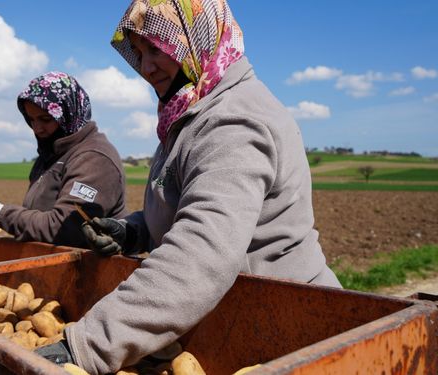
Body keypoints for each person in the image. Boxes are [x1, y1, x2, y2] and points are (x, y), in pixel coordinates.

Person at [35, 1, 342, 374]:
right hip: (235, 318)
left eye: (157, 48)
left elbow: (202, 253)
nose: (146, 67)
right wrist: (134, 231)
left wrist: (84, 348)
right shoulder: (190, 113)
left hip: (287, 325)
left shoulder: (232, 121)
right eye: (139, 50)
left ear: (196, 36)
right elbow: (187, 207)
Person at [0, 71, 128, 248]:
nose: (37, 128)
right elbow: (39, 214)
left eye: (45, 119)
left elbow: (64, 229)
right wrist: (4, 222)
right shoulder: (51, 154)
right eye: (31, 119)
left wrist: (1, 215)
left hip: (90, 270)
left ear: (69, 112)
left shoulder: (94, 159)